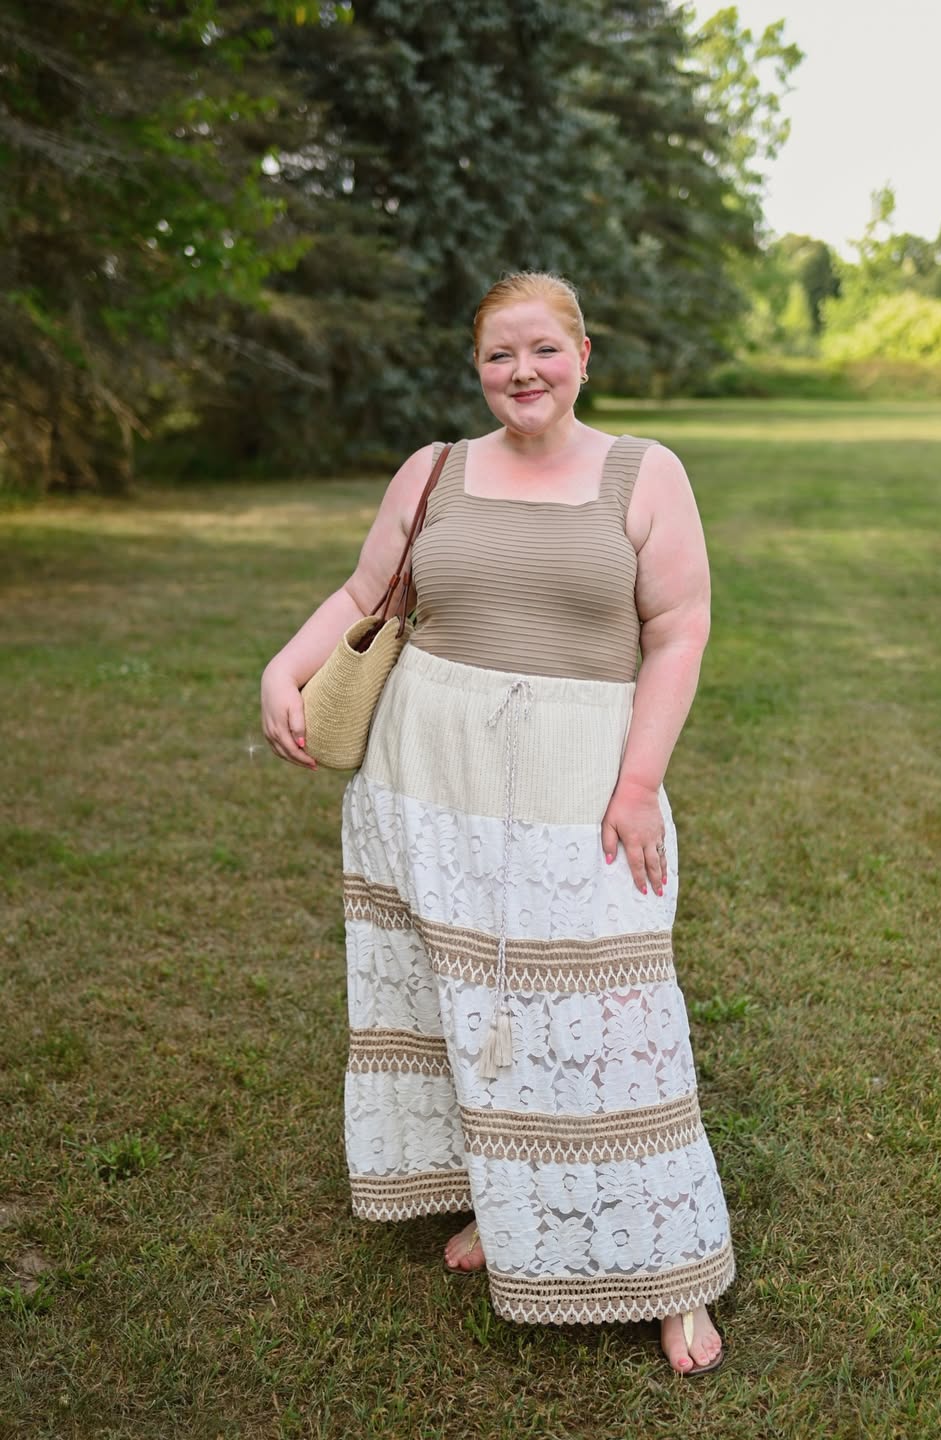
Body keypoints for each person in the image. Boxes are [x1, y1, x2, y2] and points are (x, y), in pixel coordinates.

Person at [261, 271, 734, 1376]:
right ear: (477, 370)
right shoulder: (435, 471)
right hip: (427, 774)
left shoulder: (645, 472)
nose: (522, 373)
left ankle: (674, 1273)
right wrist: (283, 669)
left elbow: (679, 630)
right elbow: (365, 594)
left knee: (619, 1022)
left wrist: (635, 785)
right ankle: (509, 1204)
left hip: (582, 776)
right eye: (497, 357)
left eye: (543, 351)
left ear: (582, 354)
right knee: (471, 996)